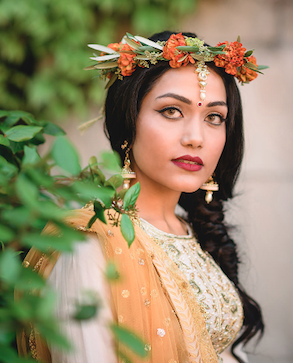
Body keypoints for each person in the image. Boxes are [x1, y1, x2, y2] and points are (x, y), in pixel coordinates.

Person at [17, 31, 265, 363]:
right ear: (127, 121)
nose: (196, 138)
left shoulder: (194, 233)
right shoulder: (89, 243)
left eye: (214, 118)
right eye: (172, 111)